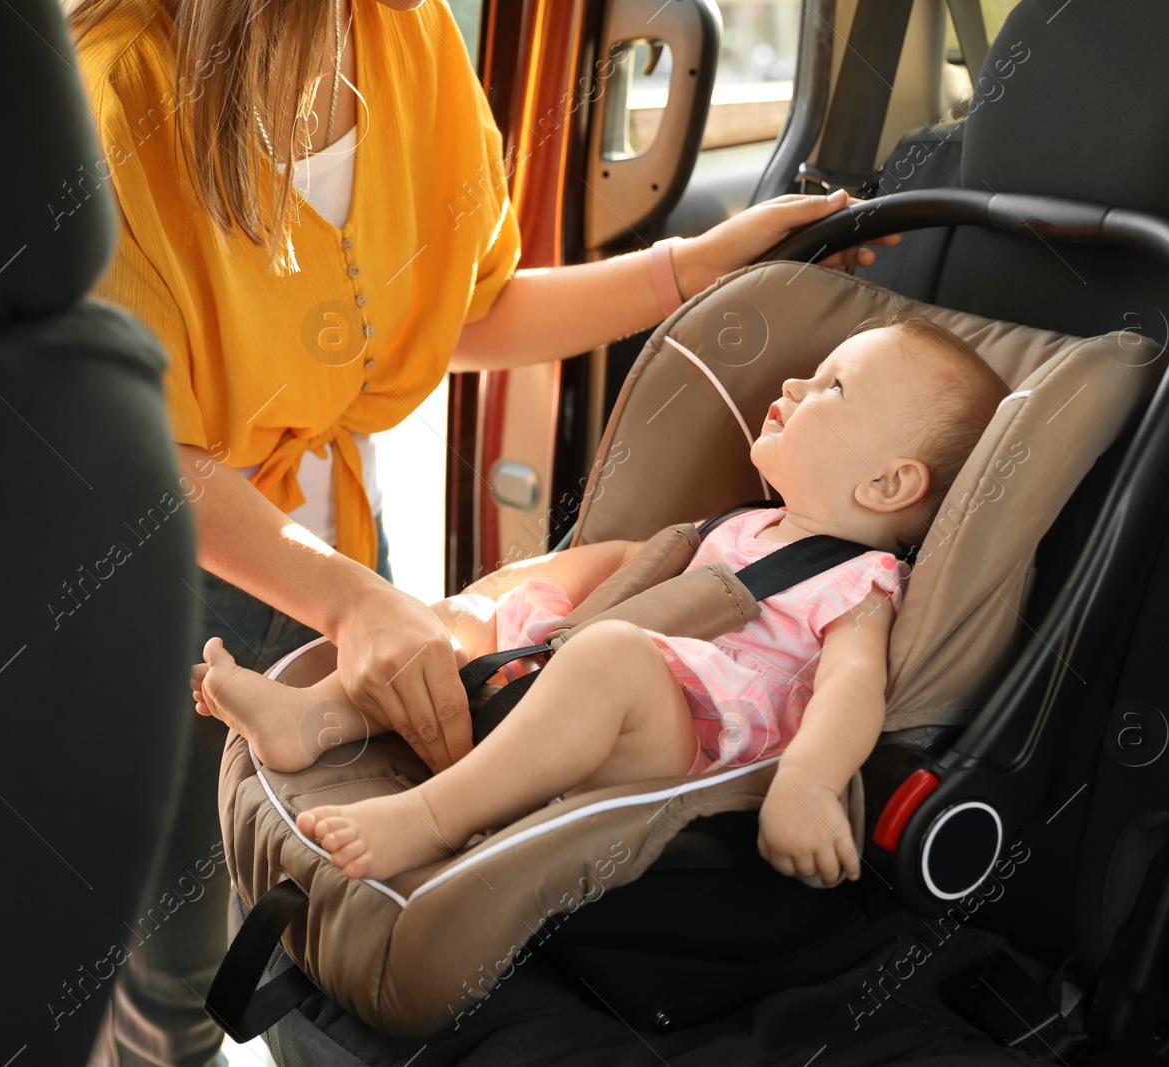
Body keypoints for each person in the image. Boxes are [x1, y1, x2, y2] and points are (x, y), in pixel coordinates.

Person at [65, 0, 894, 1060]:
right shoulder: (113, 93)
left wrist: (698, 264)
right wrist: (353, 602)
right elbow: (130, 446)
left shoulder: (404, 38)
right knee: (178, 964)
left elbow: (463, 309)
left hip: (335, 542)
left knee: (317, 911)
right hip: (169, 581)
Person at [195, 312, 1011, 887]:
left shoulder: (859, 581)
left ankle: (429, 820)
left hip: (692, 740)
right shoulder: (743, 523)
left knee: (610, 657)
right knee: (457, 628)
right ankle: (312, 719)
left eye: (832, 387)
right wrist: (504, 597)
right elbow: (628, 561)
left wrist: (809, 781)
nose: (795, 382)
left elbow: (850, 685)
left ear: (890, 482)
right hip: (584, 670)